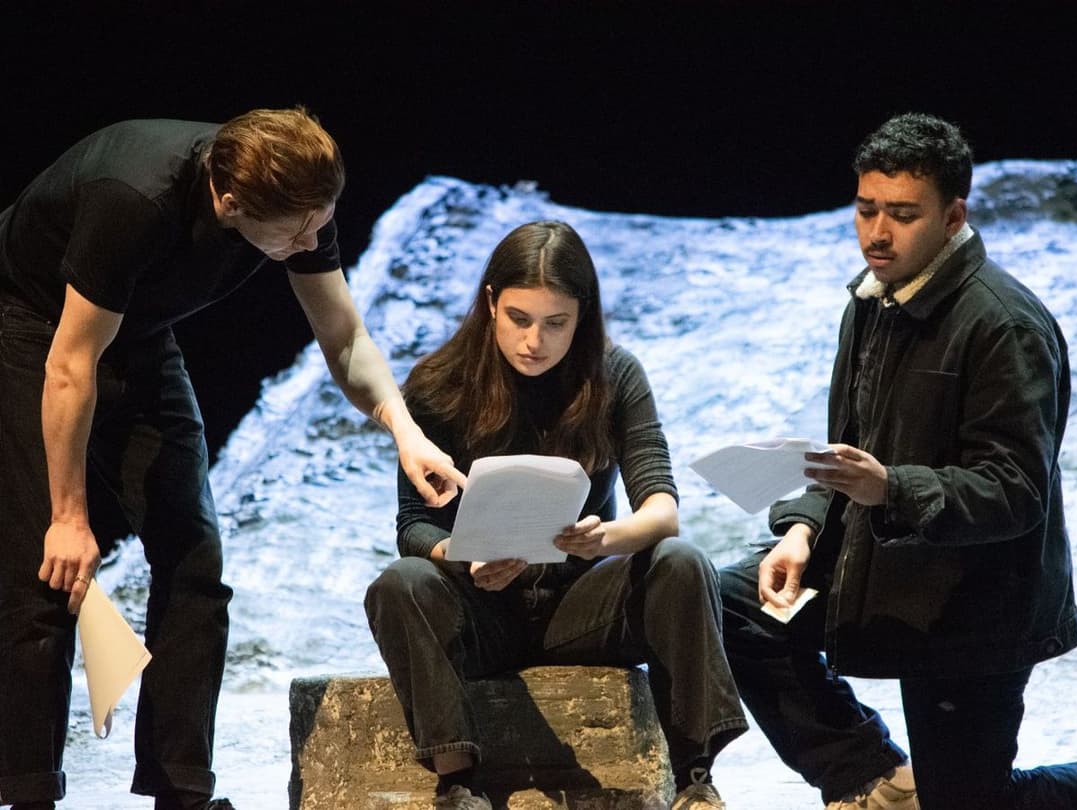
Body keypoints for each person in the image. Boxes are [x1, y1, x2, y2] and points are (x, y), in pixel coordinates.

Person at [0, 108, 466, 810]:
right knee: (49, 568)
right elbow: (70, 366)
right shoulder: (135, 200)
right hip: (30, 327)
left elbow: (342, 338)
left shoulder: (296, 200)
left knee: (194, 559)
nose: (314, 240)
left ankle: (181, 788)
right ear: (229, 203)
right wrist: (69, 515)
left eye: (322, 221)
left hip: (138, 334)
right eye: (298, 232)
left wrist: (404, 430)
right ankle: (27, 792)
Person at [718, 112, 1077, 809]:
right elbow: (844, 451)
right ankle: (868, 776)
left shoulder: (1004, 324)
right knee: (739, 602)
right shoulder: (871, 301)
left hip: (973, 605)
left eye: (903, 214)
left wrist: (890, 488)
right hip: (884, 566)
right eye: (866, 210)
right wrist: (802, 530)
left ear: (952, 216)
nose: (877, 233)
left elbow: (1014, 491)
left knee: (969, 802)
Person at [364, 220, 747, 809]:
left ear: (582, 315)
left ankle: (695, 781)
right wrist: (461, 559)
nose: (533, 341)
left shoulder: (614, 376)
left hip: (579, 605)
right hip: (482, 608)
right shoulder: (440, 385)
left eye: (555, 323)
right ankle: (458, 782)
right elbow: (413, 525)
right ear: (491, 302)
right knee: (400, 583)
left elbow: (663, 511)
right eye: (519, 319)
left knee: (681, 561)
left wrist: (608, 538)